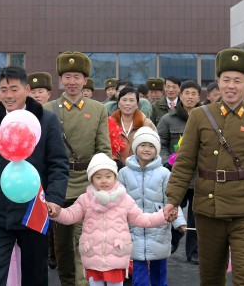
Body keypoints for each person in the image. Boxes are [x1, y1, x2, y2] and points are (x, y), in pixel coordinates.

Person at [164, 49, 244, 286]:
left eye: (237, 81)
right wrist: (173, 200)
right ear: (218, 83)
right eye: (226, 80)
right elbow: (184, 163)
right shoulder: (200, 116)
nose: (231, 86)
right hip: (208, 209)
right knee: (211, 277)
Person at [0, 66, 69, 286]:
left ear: (27, 89)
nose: (8, 95)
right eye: (3, 90)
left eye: (14, 88)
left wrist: (54, 198)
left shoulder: (47, 119)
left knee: (35, 276)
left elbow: (58, 164)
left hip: (34, 210)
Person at [43, 52, 112, 286]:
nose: (72, 82)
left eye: (77, 77)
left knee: (86, 243)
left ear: (85, 81)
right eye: (67, 76)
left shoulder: (98, 109)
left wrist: (102, 183)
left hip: (87, 185)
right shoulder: (48, 109)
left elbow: (104, 150)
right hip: (59, 185)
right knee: (62, 247)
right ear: (61, 80)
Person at [51, 152, 169, 286]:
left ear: (115, 177)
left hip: (117, 256)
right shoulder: (85, 199)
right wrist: (56, 213)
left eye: (108, 176)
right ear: (91, 179)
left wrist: (163, 216)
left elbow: (141, 218)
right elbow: (70, 215)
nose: (104, 180)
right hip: (92, 257)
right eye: (98, 177)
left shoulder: (124, 199)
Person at [117, 128, 185, 286]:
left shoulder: (164, 173)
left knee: (159, 273)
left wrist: (179, 221)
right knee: (139, 274)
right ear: (135, 148)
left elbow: (171, 199)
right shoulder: (124, 173)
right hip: (134, 228)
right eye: (143, 145)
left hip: (159, 228)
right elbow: (118, 199)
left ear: (157, 150)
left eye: (151, 146)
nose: (146, 149)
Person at [156, 79, 201, 262]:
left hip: (199, 176)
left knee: (196, 216)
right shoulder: (169, 118)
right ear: (180, 95)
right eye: (186, 93)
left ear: (199, 97)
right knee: (173, 210)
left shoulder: (205, 117)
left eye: (193, 94)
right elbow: (161, 143)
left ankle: (194, 252)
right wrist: (168, 162)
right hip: (177, 175)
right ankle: (172, 241)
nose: (190, 97)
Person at [110, 87, 156, 167]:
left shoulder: (147, 124)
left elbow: (155, 147)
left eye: (131, 100)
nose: (127, 103)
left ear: (137, 104)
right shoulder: (109, 124)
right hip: (114, 168)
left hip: (141, 168)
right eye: (124, 100)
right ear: (118, 103)